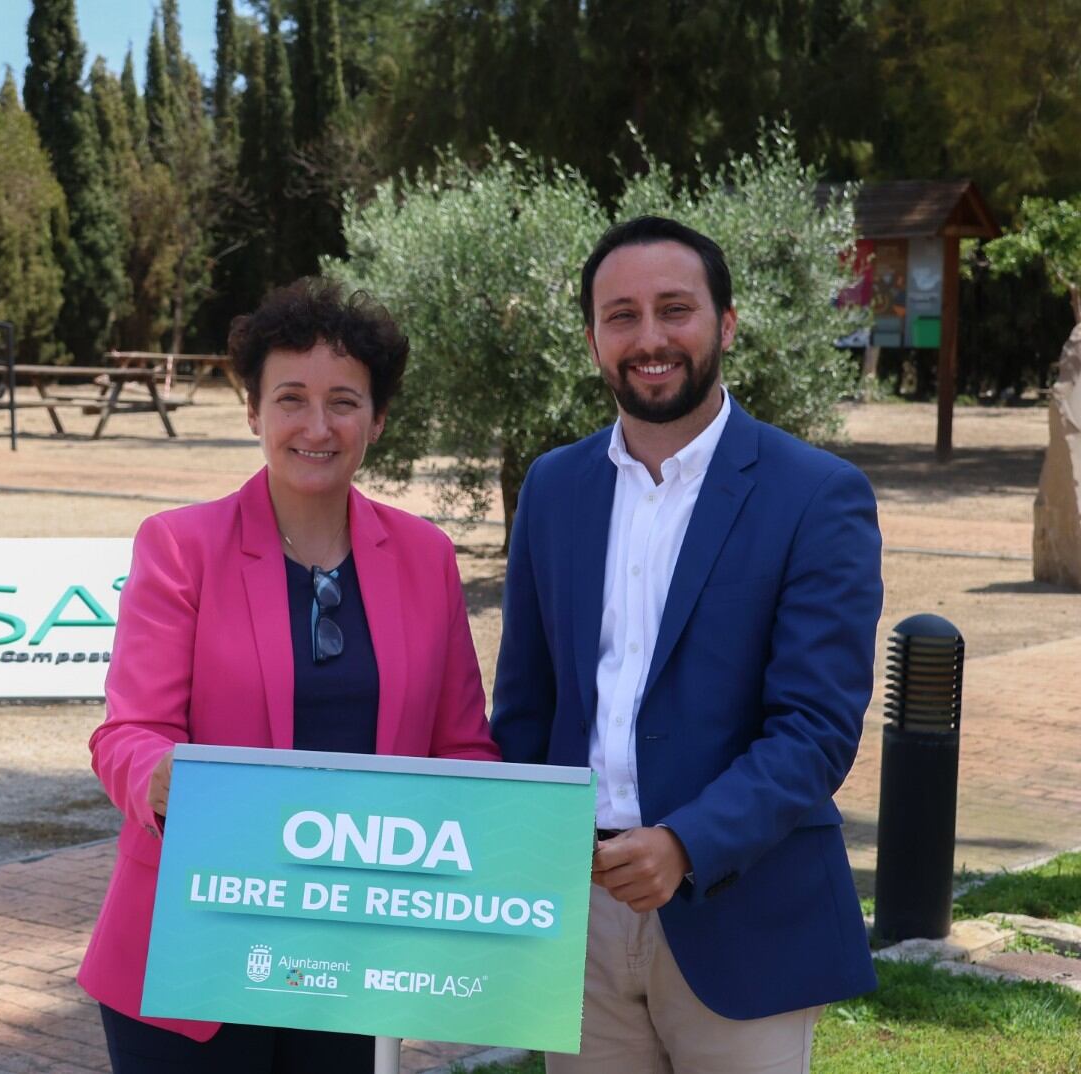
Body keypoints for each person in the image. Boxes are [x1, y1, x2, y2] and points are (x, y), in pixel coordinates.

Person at [78, 279, 501, 1072]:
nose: (316, 426)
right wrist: (159, 773)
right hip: (188, 956)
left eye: (343, 401)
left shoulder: (426, 557)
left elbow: (462, 749)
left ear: (377, 419)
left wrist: (488, 843)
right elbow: (126, 733)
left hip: (351, 962)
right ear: (253, 412)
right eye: (290, 399)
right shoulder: (179, 547)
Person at [491, 216, 881, 1073]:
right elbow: (526, 706)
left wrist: (686, 844)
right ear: (594, 337)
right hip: (581, 915)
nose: (650, 337)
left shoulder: (818, 496)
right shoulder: (553, 489)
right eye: (621, 315)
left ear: (726, 324)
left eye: (676, 309)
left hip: (744, 907)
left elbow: (815, 729)